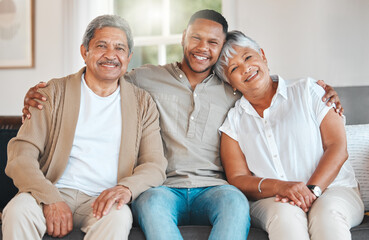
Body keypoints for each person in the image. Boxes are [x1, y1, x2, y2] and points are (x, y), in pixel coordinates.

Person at [21, 10, 343, 240]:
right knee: (151, 207)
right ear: (183, 39)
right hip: (162, 187)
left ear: (219, 49)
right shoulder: (145, 77)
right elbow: (102, 76)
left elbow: (261, 82)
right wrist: (41, 92)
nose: (204, 48)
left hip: (215, 187)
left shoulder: (231, 84)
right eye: (196, 39)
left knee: (234, 204)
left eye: (213, 43)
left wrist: (323, 91)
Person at [2, 15, 167, 240]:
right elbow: (21, 156)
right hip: (51, 190)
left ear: (128, 58)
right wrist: (49, 197)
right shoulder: (50, 94)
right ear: (84, 52)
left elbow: (154, 163)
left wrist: (126, 189)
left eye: (119, 48)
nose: (111, 55)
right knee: (17, 211)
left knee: (119, 218)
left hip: (104, 200)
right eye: (101, 46)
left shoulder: (143, 103)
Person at [215, 30, 364, 240]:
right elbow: (238, 178)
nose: (246, 68)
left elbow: (337, 147)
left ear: (263, 56)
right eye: (234, 68)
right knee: (285, 218)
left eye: (248, 57)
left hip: (333, 190)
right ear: (231, 82)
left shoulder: (309, 90)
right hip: (274, 199)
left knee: (327, 216)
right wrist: (281, 187)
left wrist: (311, 192)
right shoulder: (233, 121)